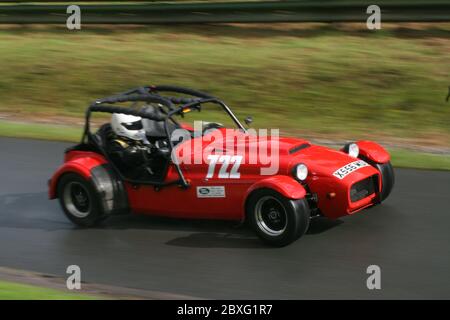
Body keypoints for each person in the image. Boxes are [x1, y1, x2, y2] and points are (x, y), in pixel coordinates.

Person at [107, 113, 154, 180]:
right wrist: (148, 151)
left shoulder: (136, 139)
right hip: (130, 179)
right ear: (119, 127)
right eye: (134, 126)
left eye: (139, 125)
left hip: (144, 173)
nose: (138, 129)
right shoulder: (115, 145)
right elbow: (127, 155)